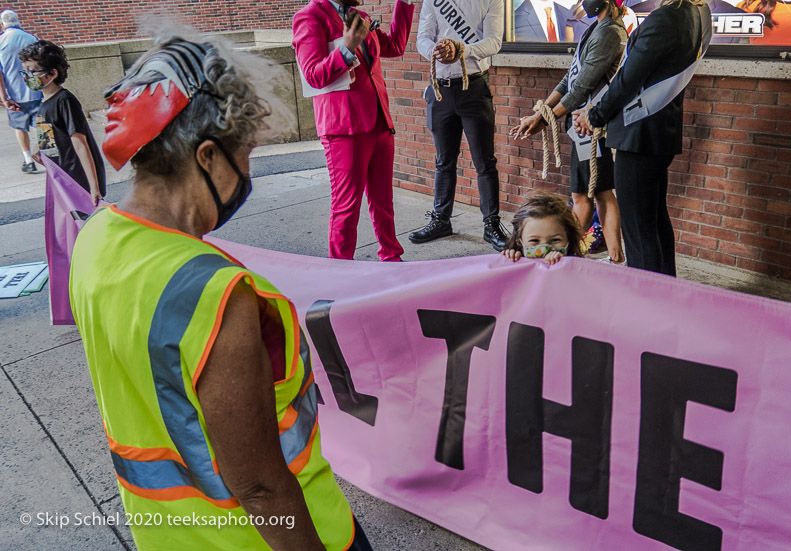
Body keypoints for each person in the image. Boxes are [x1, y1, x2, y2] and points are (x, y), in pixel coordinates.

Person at [69, 35, 369, 550]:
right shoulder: (217, 293)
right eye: (245, 153)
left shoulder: (94, 238)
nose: (248, 174)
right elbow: (259, 485)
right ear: (207, 156)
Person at [575, 0, 712, 276]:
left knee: (639, 230)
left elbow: (629, 79)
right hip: (659, 133)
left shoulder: (666, 18)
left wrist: (594, 115)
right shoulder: (698, 13)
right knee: (655, 223)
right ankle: (665, 291)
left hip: (639, 134)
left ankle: (646, 302)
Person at [292, 0, 414, 262]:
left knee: (383, 201)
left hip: (379, 120)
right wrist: (347, 48)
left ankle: (391, 257)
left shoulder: (359, 15)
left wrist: (406, 4)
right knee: (346, 208)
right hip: (344, 128)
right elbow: (312, 73)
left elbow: (394, 46)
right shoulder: (310, 16)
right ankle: (340, 272)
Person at [510, 0, 627, 265]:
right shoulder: (593, 29)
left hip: (593, 127)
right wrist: (542, 113)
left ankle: (571, 256)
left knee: (593, 194)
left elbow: (581, 89)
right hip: (582, 126)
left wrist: (544, 119)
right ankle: (610, 258)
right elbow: (569, 79)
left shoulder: (610, 32)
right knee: (593, 193)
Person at [411, 0, 510, 252]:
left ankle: (491, 224)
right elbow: (422, 39)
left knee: (484, 162)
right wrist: (435, 50)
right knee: (444, 161)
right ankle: (441, 219)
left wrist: (461, 50)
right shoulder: (433, 1)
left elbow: (494, 42)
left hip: (474, 88)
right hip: (440, 90)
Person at [19, 40, 105, 205]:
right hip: (63, 177)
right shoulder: (45, 103)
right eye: (25, 71)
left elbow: (79, 142)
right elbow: (50, 137)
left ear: (52, 73)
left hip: (79, 178)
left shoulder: (64, 101)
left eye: (32, 71)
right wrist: (39, 151)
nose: (27, 76)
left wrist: (94, 186)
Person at [0, 10, 41, 173]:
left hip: (14, 95)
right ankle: (49, 156)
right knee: (43, 125)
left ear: (2, 24)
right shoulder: (32, 39)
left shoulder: (1, 42)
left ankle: (28, 160)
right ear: (18, 22)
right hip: (36, 91)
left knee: (20, 127)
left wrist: (4, 98)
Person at [502, 192, 584, 264]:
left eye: (555, 240)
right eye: (534, 240)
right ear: (519, 241)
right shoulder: (514, 261)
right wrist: (509, 261)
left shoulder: (580, 270)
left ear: (569, 239)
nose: (544, 249)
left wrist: (564, 265)